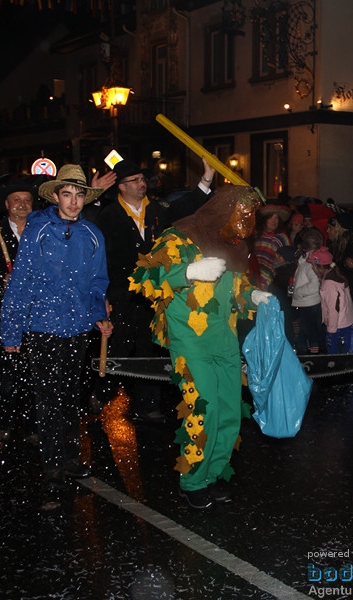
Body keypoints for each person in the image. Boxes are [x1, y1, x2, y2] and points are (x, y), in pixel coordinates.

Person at [129, 186, 271, 510]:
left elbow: (237, 288)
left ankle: (216, 473)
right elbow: (145, 276)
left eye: (252, 215)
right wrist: (188, 271)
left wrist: (253, 297)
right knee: (203, 410)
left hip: (225, 340)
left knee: (230, 413)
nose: (249, 221)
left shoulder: (233, 245)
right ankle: (193, 480)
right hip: (190, 342)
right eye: (243, 213)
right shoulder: (181, 237)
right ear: (225, 209)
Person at [0, 164, 112, 510]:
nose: (74, 201)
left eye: (79, 194)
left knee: (69, 396)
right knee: (48, 399)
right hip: (42, 328)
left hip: (77, 328)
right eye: (68, 194)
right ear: (57, 197)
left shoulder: (93, 234)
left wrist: (98, 315)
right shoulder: (38, 230)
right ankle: (51, 468)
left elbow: (98, 281)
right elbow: (20, 282)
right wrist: (11, 329)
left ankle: (70, 458)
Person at [94, 159, 214, 423]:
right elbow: (96, 252)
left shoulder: (158, 210)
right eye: (134, 181)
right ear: (121, 187)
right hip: (121, 293)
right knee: (120, 345)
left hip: (154, 294)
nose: (141, 184)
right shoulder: (108, 214)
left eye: (142, 179)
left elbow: (187, 209)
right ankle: (101, 395)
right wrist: (101, 294)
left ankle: (148, 404)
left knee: (150, 348)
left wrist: (206, 179)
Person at [0, 177, 38, 444]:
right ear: (6, 205)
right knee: (7, 372)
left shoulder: (42, 232)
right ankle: (3, 421)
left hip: (37, 313)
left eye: (27, 200)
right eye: (17, 200)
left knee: (35, 372)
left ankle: (32, 426)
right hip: (5, 314)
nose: (22, 205)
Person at [308, 246, 353, 353]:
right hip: (344, 323)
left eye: (312, 265)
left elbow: (333, 309)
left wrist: (331, 331)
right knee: (343, 353)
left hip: (337, 326)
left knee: (335, 356)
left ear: (318, 266)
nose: (312, 267)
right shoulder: (335, 275)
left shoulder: (329, 284)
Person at [292, 227, 326, 354]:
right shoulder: (306, 260)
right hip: (305, 302)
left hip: (309, 302)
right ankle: (302, 349)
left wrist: (298, 291)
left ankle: (315, 353)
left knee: (310, 329)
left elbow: (315, 283)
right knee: (304, 328)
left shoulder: (312, 263)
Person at [253, 204, 291, 291]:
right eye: (271, 218)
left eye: (276, 218)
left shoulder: (282, 238)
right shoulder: (257, 236)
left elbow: (288, 261)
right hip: (253, 275)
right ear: (265, 220)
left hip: (274, 281)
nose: (274, 221)